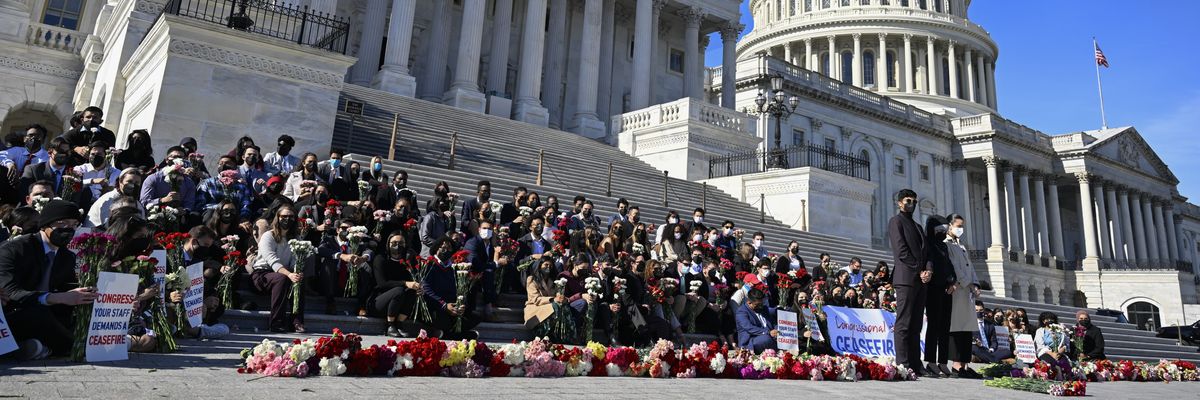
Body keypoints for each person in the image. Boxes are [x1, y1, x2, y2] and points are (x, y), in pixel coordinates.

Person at [0, 199, 88, 360]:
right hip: (12, 315)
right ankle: (72, 346)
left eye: (74, 224)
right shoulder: (14, 249)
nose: (68, 229)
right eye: (62, 223)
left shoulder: (66, 257)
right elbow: (10, 292)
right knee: (38, 313)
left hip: (45, 316)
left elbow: (65, 291)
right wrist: (54, 298)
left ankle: (36, 349)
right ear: (45, 225)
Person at [887, 188, 930, 375]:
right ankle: (903, 362)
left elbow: (926, 252)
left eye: (914, 201)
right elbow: (901, 251)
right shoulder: (896, 222)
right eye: (907, 200)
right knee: (904, 322)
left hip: (921, 280)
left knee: (916, 324)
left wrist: (928, 269)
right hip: (906, 278)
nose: (911, 204)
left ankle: (915, 362)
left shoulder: (918, 227)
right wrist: (919, 269)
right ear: (899, 203)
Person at [250, 203, 305, 333]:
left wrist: (296, 272)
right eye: (284, 216)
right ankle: (276, 322)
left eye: (291, 217)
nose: (287, 219)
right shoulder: (268, 236)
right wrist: (289, 274)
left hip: (284, 274)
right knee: (282, 278)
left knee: (299, 280)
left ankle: (297, 321)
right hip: (261, 275)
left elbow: (295, 261)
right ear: (278, 217)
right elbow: (272, 260)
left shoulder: (296, 238)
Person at [944, 214, 982, 378]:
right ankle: (956, 364)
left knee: (967, 329)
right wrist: (967, 282)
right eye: (958, 225)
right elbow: (954, 267)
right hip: (957, 290)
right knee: (957, 328)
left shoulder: (961, 245)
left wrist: (975, 283)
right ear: (949, 226)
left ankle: (965, 364)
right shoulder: (947, 245)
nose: (960, 229)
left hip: (967, 291)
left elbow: (969, 267)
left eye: (962, 226)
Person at [421, 236, 479, 340]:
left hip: (452, 305)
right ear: (436, 249)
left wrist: (460, 304)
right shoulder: (429, 264)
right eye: (442, 248)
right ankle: (457, 335)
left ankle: (448, 334)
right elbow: (426, 289)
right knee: (444, 321)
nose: (445, 251)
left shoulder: (453, 267)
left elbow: (459, 289)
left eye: (449, 248)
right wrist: (444, 305)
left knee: (476, 316)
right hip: (437, 305)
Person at [371, 232, 427, 337]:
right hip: (379, 301)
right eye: (394, 243)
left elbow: (412, 281)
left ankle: (399, 323)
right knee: (399, 290)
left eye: (401, 243)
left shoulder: (408, 261)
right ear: (388, 244)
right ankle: (390, 325)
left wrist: (417, 288)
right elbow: (382, 284)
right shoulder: (380, 259)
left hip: (398, 303)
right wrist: (405, 283)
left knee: (412, 291)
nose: (397, 246)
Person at [317, 218, 374, 316]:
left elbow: (369, 251)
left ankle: (361, 304)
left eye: (350, 228)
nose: (347, 230)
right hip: (332, 280)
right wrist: (341, 255)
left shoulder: (357, 241)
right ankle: (330, 302)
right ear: (337, 230)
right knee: (328, 262)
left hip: (351, 281)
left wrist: (362, 258)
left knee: (366, 266)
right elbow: (321, 250)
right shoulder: (329, 239)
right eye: (344, 228)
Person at [922, 215, 955, 377]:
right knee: (934, 325)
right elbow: (928, 263)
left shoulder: (944, 246)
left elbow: (949, 266)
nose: (942, 232)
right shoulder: (928, 244)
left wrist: (952, 281)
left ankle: (943, 360)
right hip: (933, 288)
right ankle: (930, 360)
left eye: (944, 230)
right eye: (939, 230)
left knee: (945, 326)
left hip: (946, 289)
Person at [139, 146, 197, 211]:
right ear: (167, 160)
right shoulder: (153, 178)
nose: (177, 160)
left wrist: (184, 210)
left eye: (180, 157)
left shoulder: (189, 183)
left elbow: (189, 204)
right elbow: (144, 202)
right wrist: (162, 200)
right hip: (154, 214)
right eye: (174, 157)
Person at [464, 219, 499, 320]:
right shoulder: (473, 242)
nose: (487, 231)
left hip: (484, 276)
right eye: (484, 228)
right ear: (479, 230)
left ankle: (494, 300)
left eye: (489, 229)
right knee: (488, 272)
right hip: (471, 274)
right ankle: (488, 309)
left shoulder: (491, 246)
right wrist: (495, 264)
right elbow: (475, 263)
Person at [735, 289, 778, 353]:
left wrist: (778, 330)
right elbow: (749, 328)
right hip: (752, 341)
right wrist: (768, 332)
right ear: (749, 302)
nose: (760, 306)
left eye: (762, 303)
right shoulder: (741, 312)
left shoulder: (763, 308)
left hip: (770, 336)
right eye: (757, 304)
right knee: (766, 339)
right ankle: (780, 350)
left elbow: (773, 322)